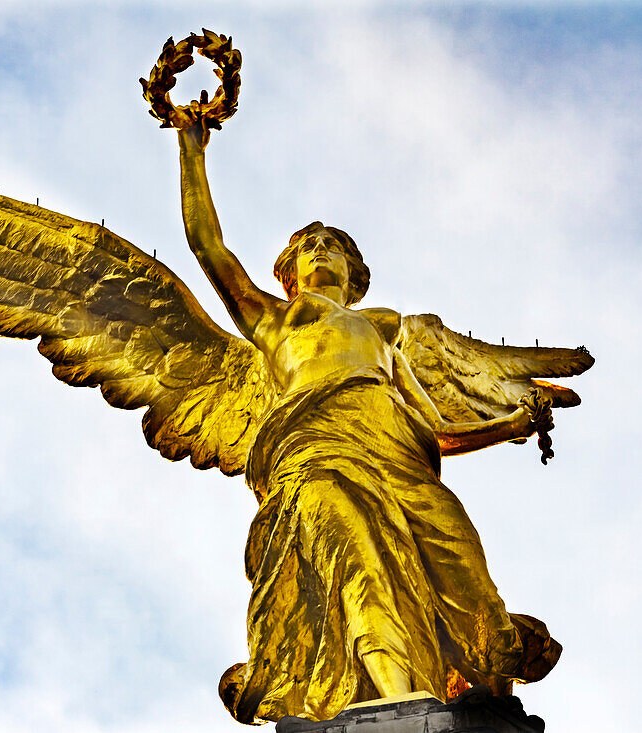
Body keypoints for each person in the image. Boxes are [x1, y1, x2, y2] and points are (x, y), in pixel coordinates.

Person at [176, 124, 561, 724]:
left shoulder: (384, 332)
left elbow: (433, 434)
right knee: (357, 562)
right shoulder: (276, 321)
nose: (323, 250)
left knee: (458, 560)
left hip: (399, 457)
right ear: (289, 270)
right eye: (311, 245)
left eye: (335, 245)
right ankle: (391, 700)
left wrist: (509, 425)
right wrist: (191, 148)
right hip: (317, 451)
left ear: (356, 274)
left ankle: (487, 678)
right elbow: (208, 247)